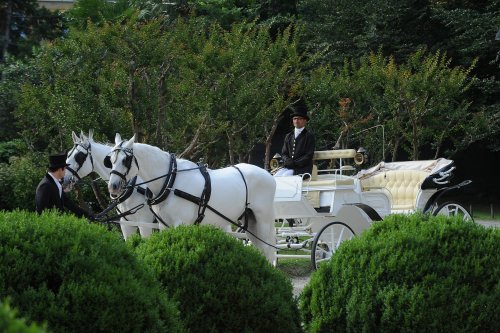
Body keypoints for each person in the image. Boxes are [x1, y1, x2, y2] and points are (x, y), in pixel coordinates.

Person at [35, 152, 91, 218]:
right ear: (60, 169)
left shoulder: (56, 183)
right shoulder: (45, 185)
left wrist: (87, 215)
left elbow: (69, 204)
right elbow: (40, 211)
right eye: (65, 169)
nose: (65, 171)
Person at [275, 107, 316, 178]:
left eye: (299, 118)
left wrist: (294, 163)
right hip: (289, 167)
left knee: (285, 176)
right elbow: (284, 153)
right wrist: (287, 161)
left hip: (303, 169)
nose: (297, 121)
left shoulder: (309, 136)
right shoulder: (288, 136)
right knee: (276, 176)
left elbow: (308, 156)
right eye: (295, 119)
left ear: (305, 121)